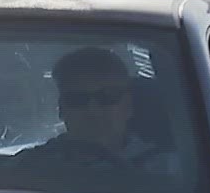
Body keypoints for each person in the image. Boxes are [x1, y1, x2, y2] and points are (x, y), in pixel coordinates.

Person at [16, 46, 177, 174]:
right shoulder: (29, 167)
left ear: (128, 106)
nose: (93, 110)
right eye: (77, 100)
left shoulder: (168, 171)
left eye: (107, 97)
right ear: (62, 109)